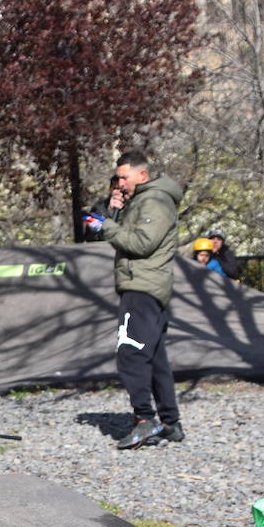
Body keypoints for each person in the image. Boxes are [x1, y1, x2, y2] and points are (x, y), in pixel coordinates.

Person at [83, 149, 184, 449]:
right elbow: (99, 233)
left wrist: (108, 226)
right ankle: (169, 422)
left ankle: (145, 420)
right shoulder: (139, 201)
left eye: (124, 177)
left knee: (131, 353)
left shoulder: (155, 200)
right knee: (154, 357)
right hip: (143, 284)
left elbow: (142, 243)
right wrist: (111, 213)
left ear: (142, 175)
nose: (119, 183)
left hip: (143, 285)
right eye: (116, 178)